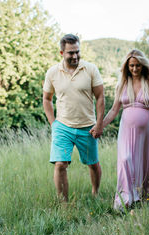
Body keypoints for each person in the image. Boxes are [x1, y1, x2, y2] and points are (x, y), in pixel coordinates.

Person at [42, 34, 105, 202]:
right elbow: (46, 99)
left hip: (88, 127)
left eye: (77, 52)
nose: (75, 56)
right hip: (63, 126)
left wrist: (99, 124)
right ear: (61, 53)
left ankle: (95, 194)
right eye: (71, 53)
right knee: (60, 164)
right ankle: (64, 203)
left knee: (93, 164)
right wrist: (53, 123)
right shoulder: (53, 72)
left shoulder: (90, 69)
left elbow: (100, 97)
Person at [103, 49, 149, 210]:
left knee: (144, 161)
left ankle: (144, 194)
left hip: (147, 129)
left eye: (138, 65)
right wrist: (100, 126)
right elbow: (114, 110)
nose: (135, 69)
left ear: (143, 65)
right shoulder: (123, 83)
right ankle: (124, 197)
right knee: (125, 159)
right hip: (126, 128)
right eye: (131, 65)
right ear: (127, 66)